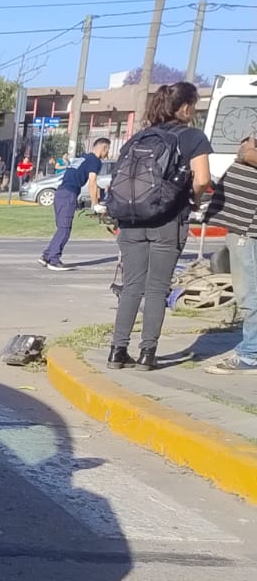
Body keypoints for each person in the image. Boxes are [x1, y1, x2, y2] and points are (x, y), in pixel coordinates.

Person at [108, 81, 214, 370]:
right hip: (168, 221)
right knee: (156, 289)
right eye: (194, 104)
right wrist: (193, 198)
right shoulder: (193, 137)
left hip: (131, 221)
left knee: (131, 287)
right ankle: (147, 354)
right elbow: (202, 179)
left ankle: (117, 351)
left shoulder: (139, 137)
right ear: (184, 107)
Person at [203, 134, 257, 374]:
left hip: (249, 225)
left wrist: (246, 154)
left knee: (249, 290)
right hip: (242, 224)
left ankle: (251, 353)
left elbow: (247, 151)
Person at [39, 137, 110, 270]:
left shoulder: (82, 158)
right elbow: (92, 183)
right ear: (103, 148)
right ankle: (53, 260)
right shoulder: (95, 161)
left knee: (62, 227)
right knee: (65, 228)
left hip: (60, 193)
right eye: (107, 151)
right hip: (68, 194)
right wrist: (95, 204)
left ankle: (47, 255)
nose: (107, 155)